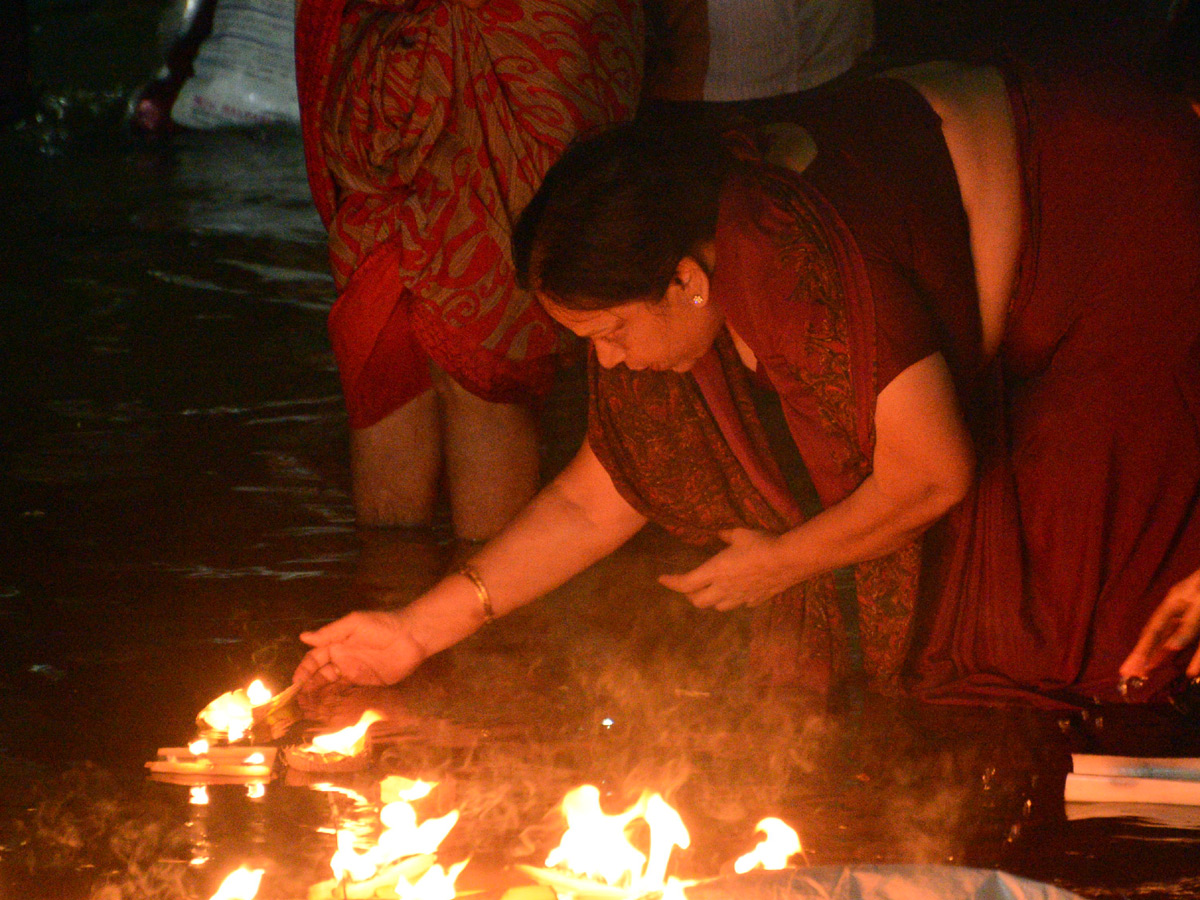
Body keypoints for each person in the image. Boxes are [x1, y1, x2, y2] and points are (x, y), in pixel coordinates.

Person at [294, 58, 1200, 707]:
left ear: (688, 281)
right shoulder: (683, 254)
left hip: (1117, 216)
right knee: (969, 635)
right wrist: (413, 629)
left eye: (610, 333)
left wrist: (783, 563)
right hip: (994, 233)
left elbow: (932, 475)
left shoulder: (780, 259)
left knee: (1078, 628)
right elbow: (591, 501)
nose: (605, 363)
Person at [295, 0, 643, 538]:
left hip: (518, 35)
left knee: (484, 344)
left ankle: (490, 610)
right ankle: (392, 592)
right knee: (386, 322)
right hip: (380, 26)